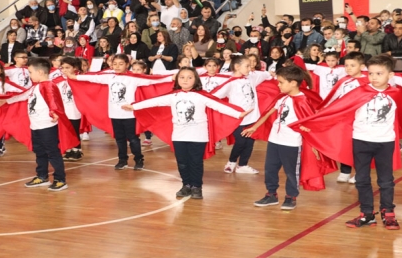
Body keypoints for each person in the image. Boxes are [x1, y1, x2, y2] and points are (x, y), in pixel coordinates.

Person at [293, 55, 402, 230]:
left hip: (385, 142)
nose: (374, 77)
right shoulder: (360, 92)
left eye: (379, 73)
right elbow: (336, 110)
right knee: (362, 179)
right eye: (371, 73)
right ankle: (367, 213)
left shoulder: (396, 94)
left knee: (386, 180)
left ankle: (388, 212)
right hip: (361, 141)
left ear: (390, 75)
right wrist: (313, 125)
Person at [124, 67, 248, 199]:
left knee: (196, 162)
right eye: (182, 77)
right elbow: (154, 101)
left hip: (198, 136)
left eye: (190, 77)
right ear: (177, 79)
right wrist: (134, 106)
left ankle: (197, 187)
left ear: (196, 80)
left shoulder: (201, 96)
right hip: (179, 135)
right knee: (182, 162)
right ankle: (186, 185)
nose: (185, 80)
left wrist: (239, 114)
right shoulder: (173, 96)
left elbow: (219, 106)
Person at [65, 54, 171, 170]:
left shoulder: (133, 78)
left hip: (129, 115)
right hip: (114, 114)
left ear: (127, 65)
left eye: (121, 64)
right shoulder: (109, 77)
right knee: (119, 138)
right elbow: (93, 77)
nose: (117, 66)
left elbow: (152, 80)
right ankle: (122, 160)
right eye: (115, 64)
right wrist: (74, 77)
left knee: (133, 139)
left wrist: (171, 78)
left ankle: (139, 159)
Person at [243, 66, 318, 210]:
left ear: (293, 83)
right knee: (270, 169)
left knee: (291, 171)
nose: (278, 85)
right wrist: (254, 127)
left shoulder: (303, 101)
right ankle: (271, 194)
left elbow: (310, 124)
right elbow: (267, 112)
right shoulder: (282, 98)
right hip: (274, 140)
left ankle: (291, 196)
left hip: (291, 142)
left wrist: (313, 145)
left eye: (281, 82)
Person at [0, 58, 75, 191]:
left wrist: (54, 112)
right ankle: (42, 176)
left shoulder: (48, 85)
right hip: (35, 125)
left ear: (41, 72)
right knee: (39, 152)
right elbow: (24, 95)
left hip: (46, 126)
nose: (30, 75)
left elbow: (53, 99)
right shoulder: (36, 86)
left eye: (31, 72)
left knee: (53, 152)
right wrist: (7, 101)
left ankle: (60, 179)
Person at [212, 55, 271, 173]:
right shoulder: (230, 83)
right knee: (241, 141)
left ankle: (243, 165)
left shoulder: (251, 77)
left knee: (249, 142)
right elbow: (214, 97)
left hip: (253, 117)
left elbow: (265, 74)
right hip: (238, 119)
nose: (250, 68)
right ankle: (231, 161)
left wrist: (272, 74)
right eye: (247, 66)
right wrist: (232, 112)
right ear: (237, 67)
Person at [318, 52, 369, 183]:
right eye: (346, 65)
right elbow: (334, 96)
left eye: (353, 65)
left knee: (359, 146)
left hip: (361, 118)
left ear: (362, 66)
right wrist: (324, 109)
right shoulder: (344, 81)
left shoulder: (367, 81)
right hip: (345, 118)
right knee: (344, 144)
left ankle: (360, 173)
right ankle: (345, 171)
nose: (349, 68)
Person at [55, 57, 85, 162]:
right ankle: (69, 149)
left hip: (75, 109)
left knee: (74, 130)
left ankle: (77, 150)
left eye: (67, 67)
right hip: (64, 109)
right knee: (66, 130)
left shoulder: (79, 78)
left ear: (75, 68)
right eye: (62, 68)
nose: (64, 70)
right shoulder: (59, 80)